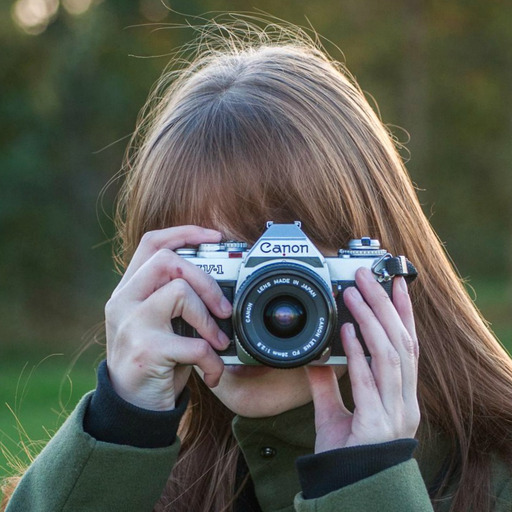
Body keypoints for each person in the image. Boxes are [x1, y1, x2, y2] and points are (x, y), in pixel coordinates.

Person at [3, 18, 512, 512]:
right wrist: (121, 429)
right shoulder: (145, 484)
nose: (262, 300)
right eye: (226, 263)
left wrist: (368, 482)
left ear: (384, 267)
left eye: (298, 265)